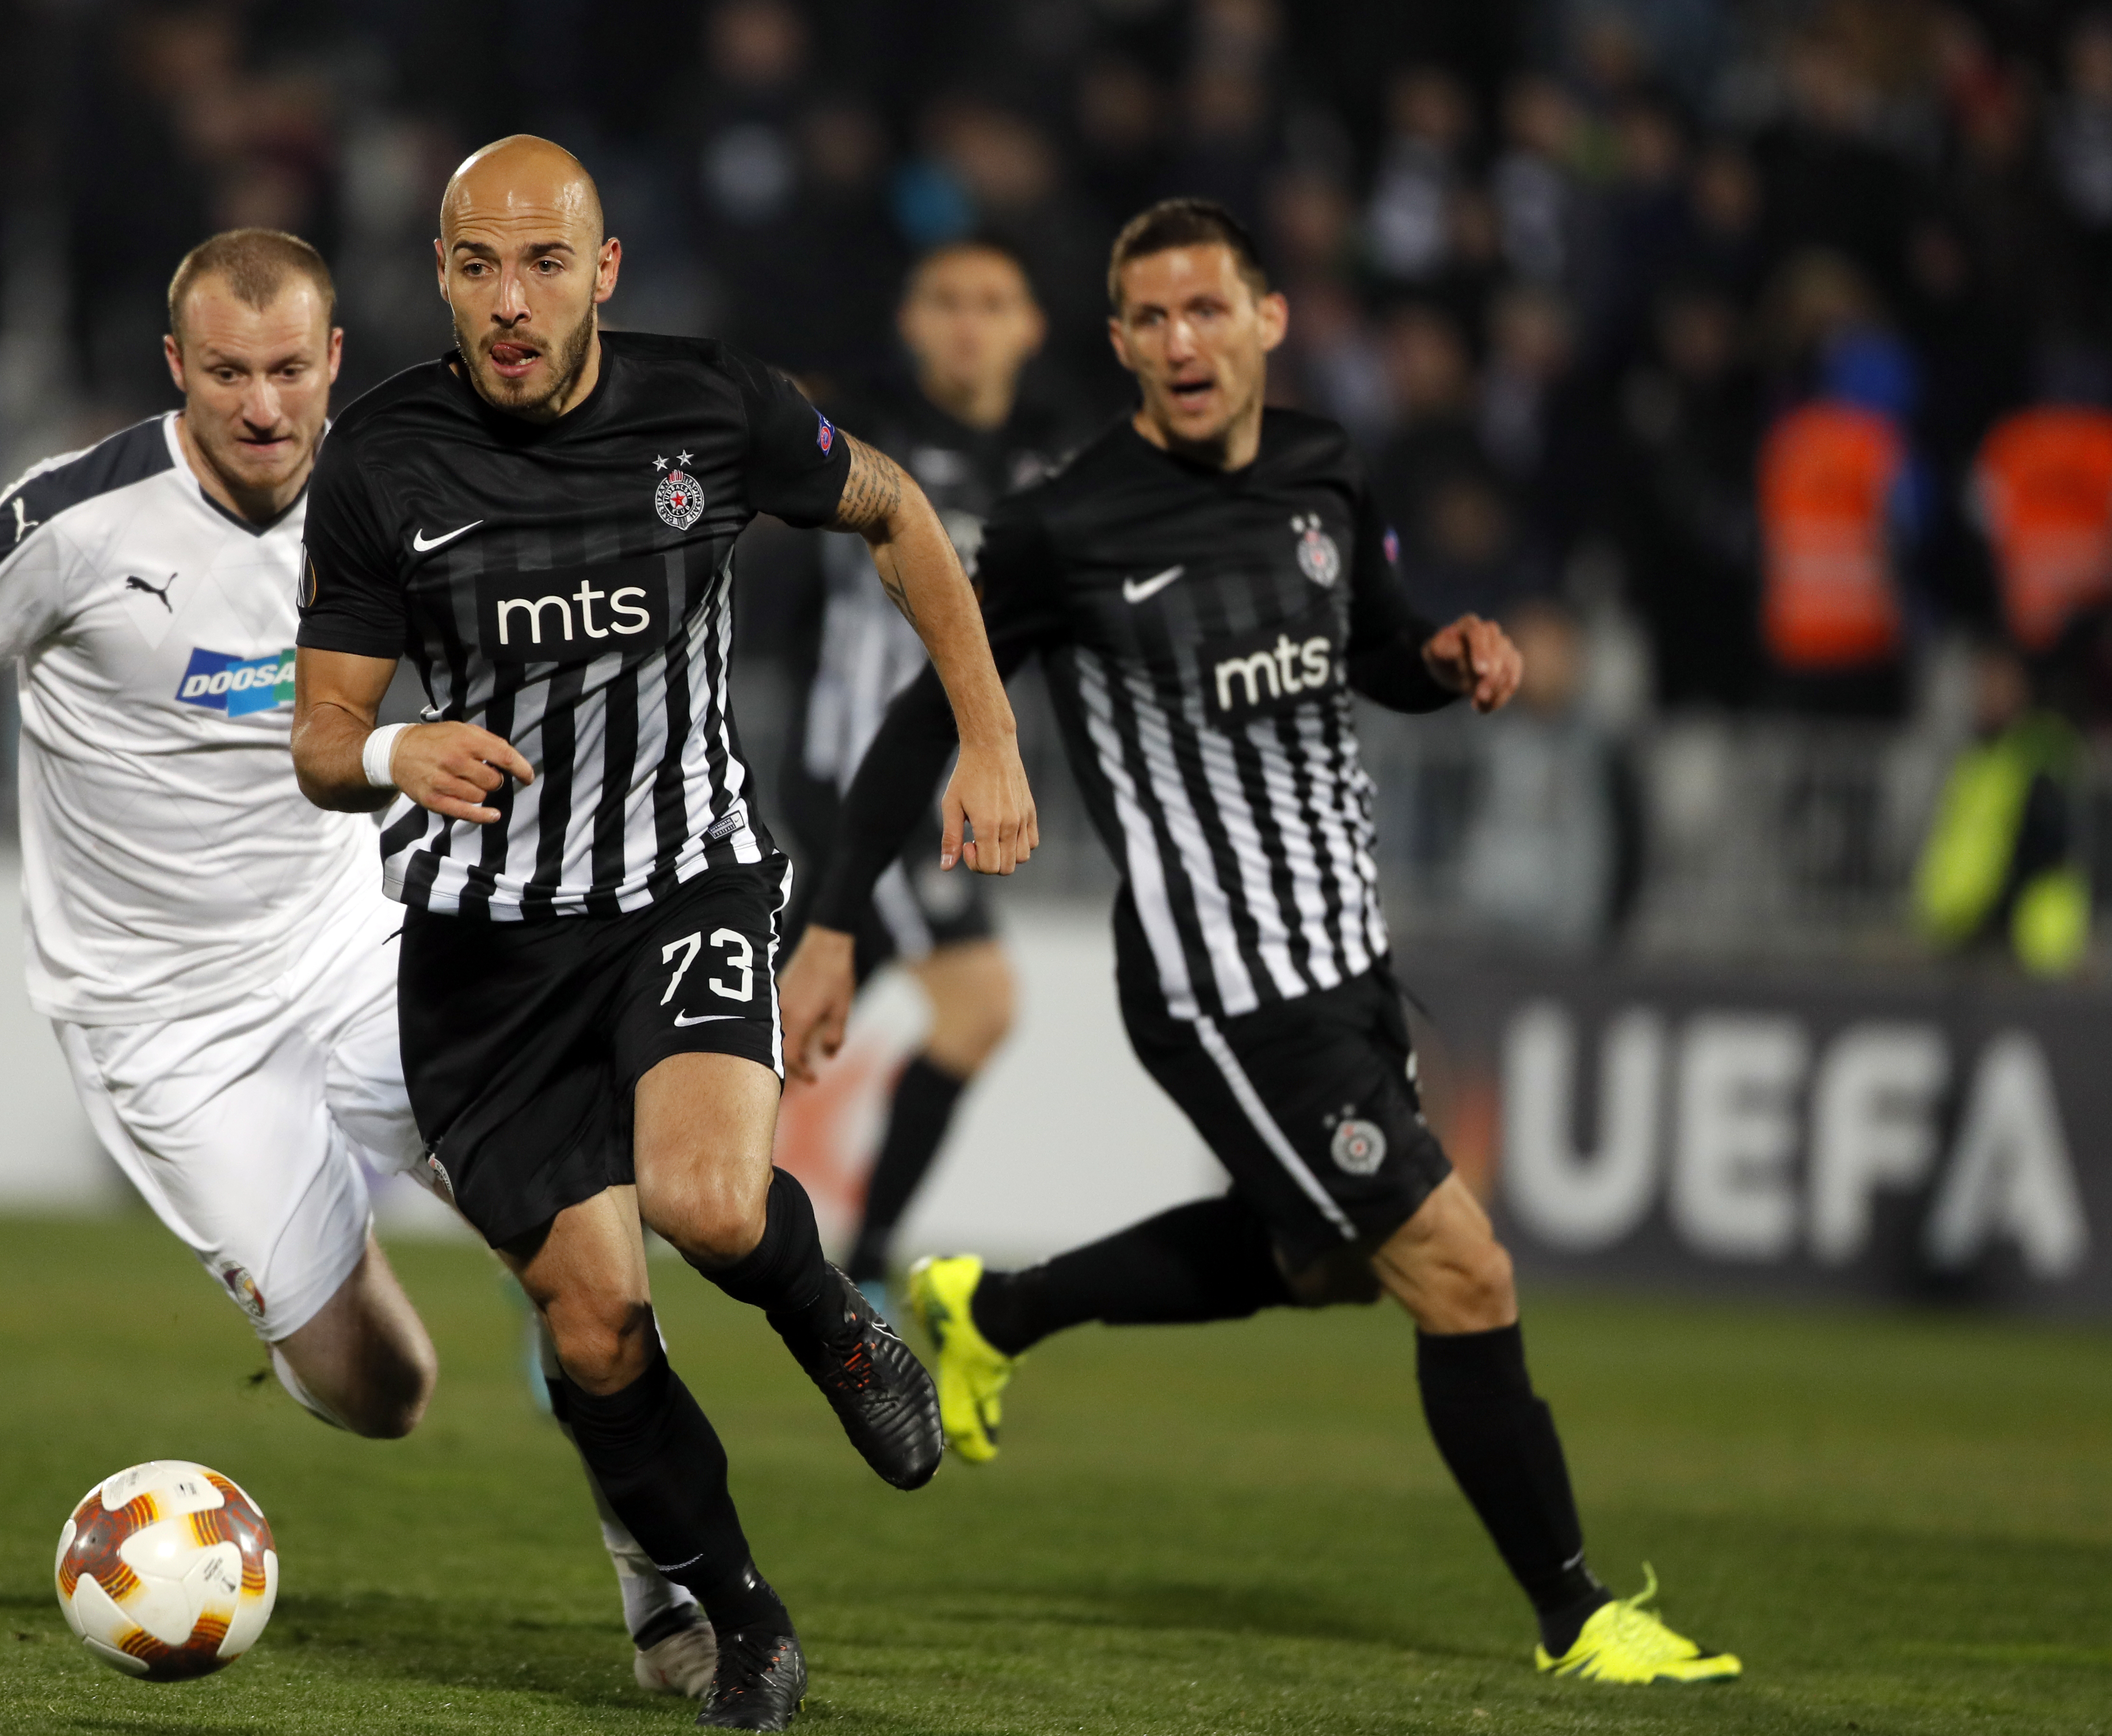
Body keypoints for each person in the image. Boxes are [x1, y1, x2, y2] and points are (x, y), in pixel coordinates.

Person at [780, 198, 1743, 1688]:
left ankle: (995, 1307)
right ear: (1118, 346)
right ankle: (1580, 1613)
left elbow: (1374, 644)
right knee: (1461, 1272)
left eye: (1208, 311)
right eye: (1152, 321)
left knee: (1327, 1264)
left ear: (1268, 320)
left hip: (1347, 960)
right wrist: (834, 921)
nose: (1184, 343)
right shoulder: (1067, 521)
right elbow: (926, 716)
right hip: (1218, 983)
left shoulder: (1323, 469)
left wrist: (1446, 658)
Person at [0, 228, 720, 1701]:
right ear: (178, 368)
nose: (263, 406)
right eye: (231, 373)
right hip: (164, 1029)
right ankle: (332, 1254)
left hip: (360, 950)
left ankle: (670, 1596)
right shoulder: (78, 519)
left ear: (334, 366)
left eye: (291, 370)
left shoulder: (400, 488)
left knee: (591, 1277)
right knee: (386, 1395)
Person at [288, 138, 1035, 1731]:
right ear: (438, 272)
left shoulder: (712, 406)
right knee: (595, 1322)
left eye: (545, 261)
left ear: (603, 273)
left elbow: (897, 511)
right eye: (477, 263)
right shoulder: (380, 461)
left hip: (682, 882)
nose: (510, 297)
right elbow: (318, 734)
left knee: (707, 1197)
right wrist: (391, 753)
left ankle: (833, 1320)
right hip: (484, 947)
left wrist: (987, 735)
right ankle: (741, 1613)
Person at [786, 237, 1071, 1303]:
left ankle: (575, 1224)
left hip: (928, 789)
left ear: (1030, 327)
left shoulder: (1052, 463)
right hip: (864, 785)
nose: (968, 323)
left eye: (993, 303)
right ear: (911, 322)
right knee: (979, 1001)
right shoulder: (857, 435)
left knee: (757, 1043)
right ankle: (865, 1274)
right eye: (947, 301)